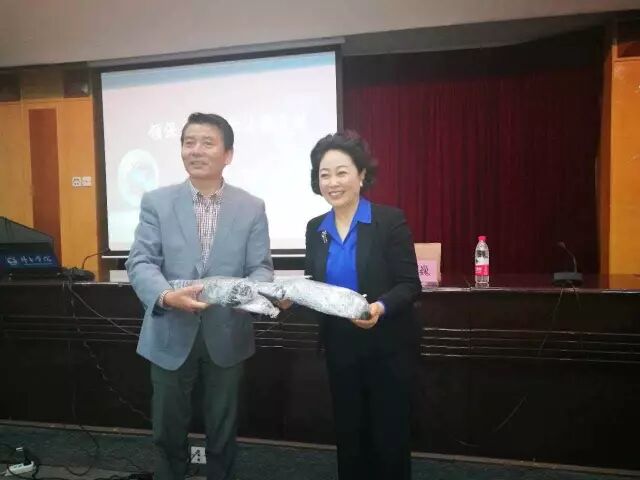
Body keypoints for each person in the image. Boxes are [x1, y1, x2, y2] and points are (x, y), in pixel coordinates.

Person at [126, 112, 273, 480]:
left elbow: (260, 269)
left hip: (228, 333)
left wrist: (249, 293)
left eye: (207, 142)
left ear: (228, 154)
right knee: (167, 430)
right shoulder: (157, 202)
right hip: (170, 331)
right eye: (189, 142)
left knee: (223, 431)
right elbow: (140, 261)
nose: (196, 150)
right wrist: (165, 296)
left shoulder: (251, 207)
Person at [304, 132, 421, 480]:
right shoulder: (315, 229)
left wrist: (379, 308)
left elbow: (409, 285)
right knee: (349, 434)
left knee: (389, 435)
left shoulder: (388, 221)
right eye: (324, 174)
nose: (332, 182)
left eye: (341, 172)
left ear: (361, 175)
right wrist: (290, 297)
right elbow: (315, 286)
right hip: (340, 347)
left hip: (386, 346)